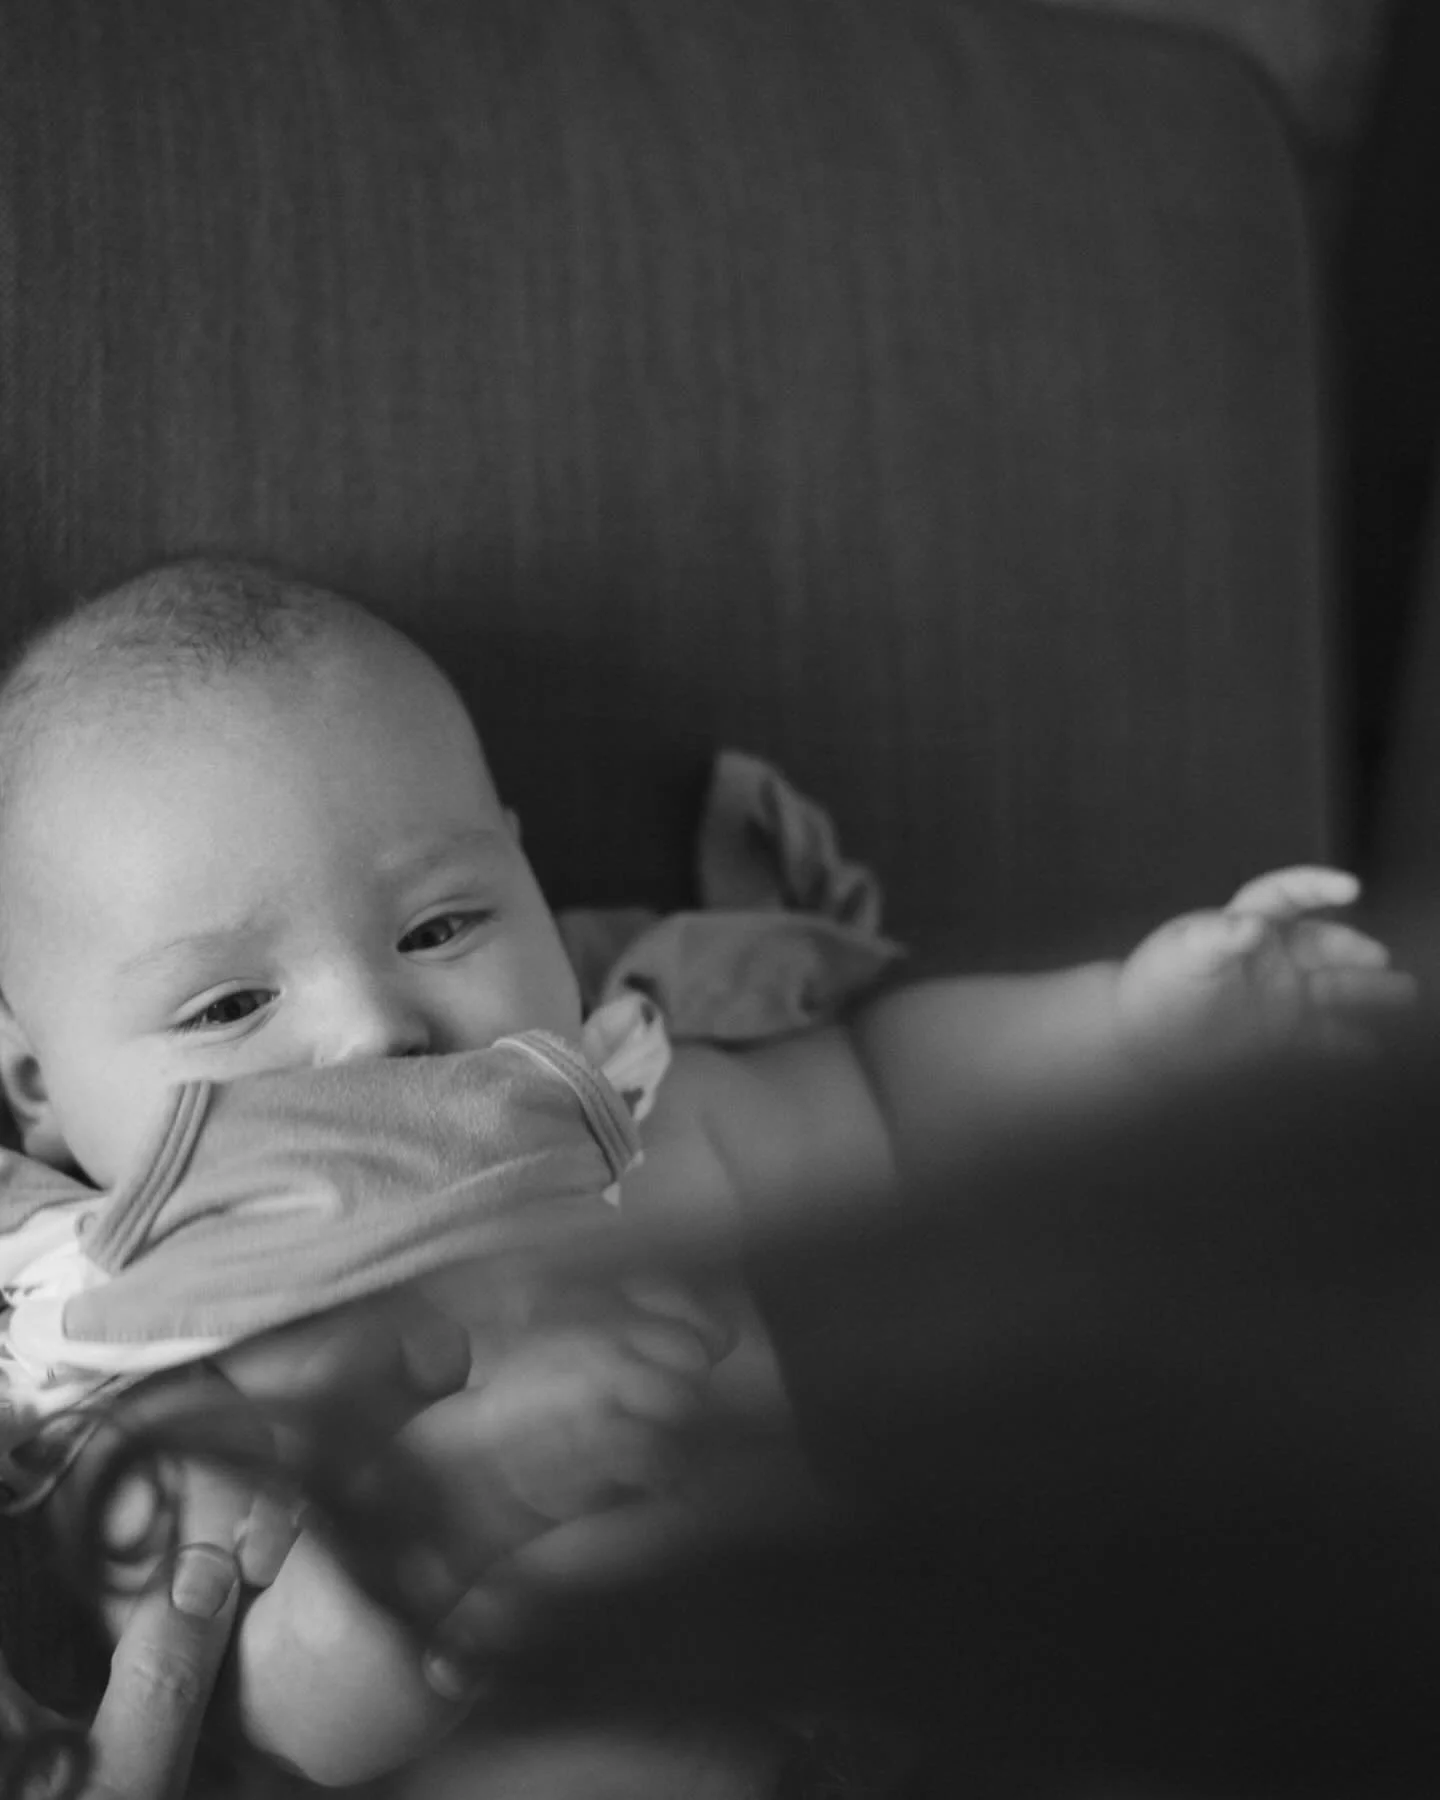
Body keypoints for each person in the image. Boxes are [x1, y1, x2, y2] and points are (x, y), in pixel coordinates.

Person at [0, 558, 1412, 1784]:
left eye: (437, 925)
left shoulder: (646, 1104)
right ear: (36, 1086)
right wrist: (468, 1496)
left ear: (526, 880)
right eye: (229, 1007)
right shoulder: (145, 1342)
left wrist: (1126, 1026)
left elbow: (891, 1095)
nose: (371, 1027)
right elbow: (281, 1713)